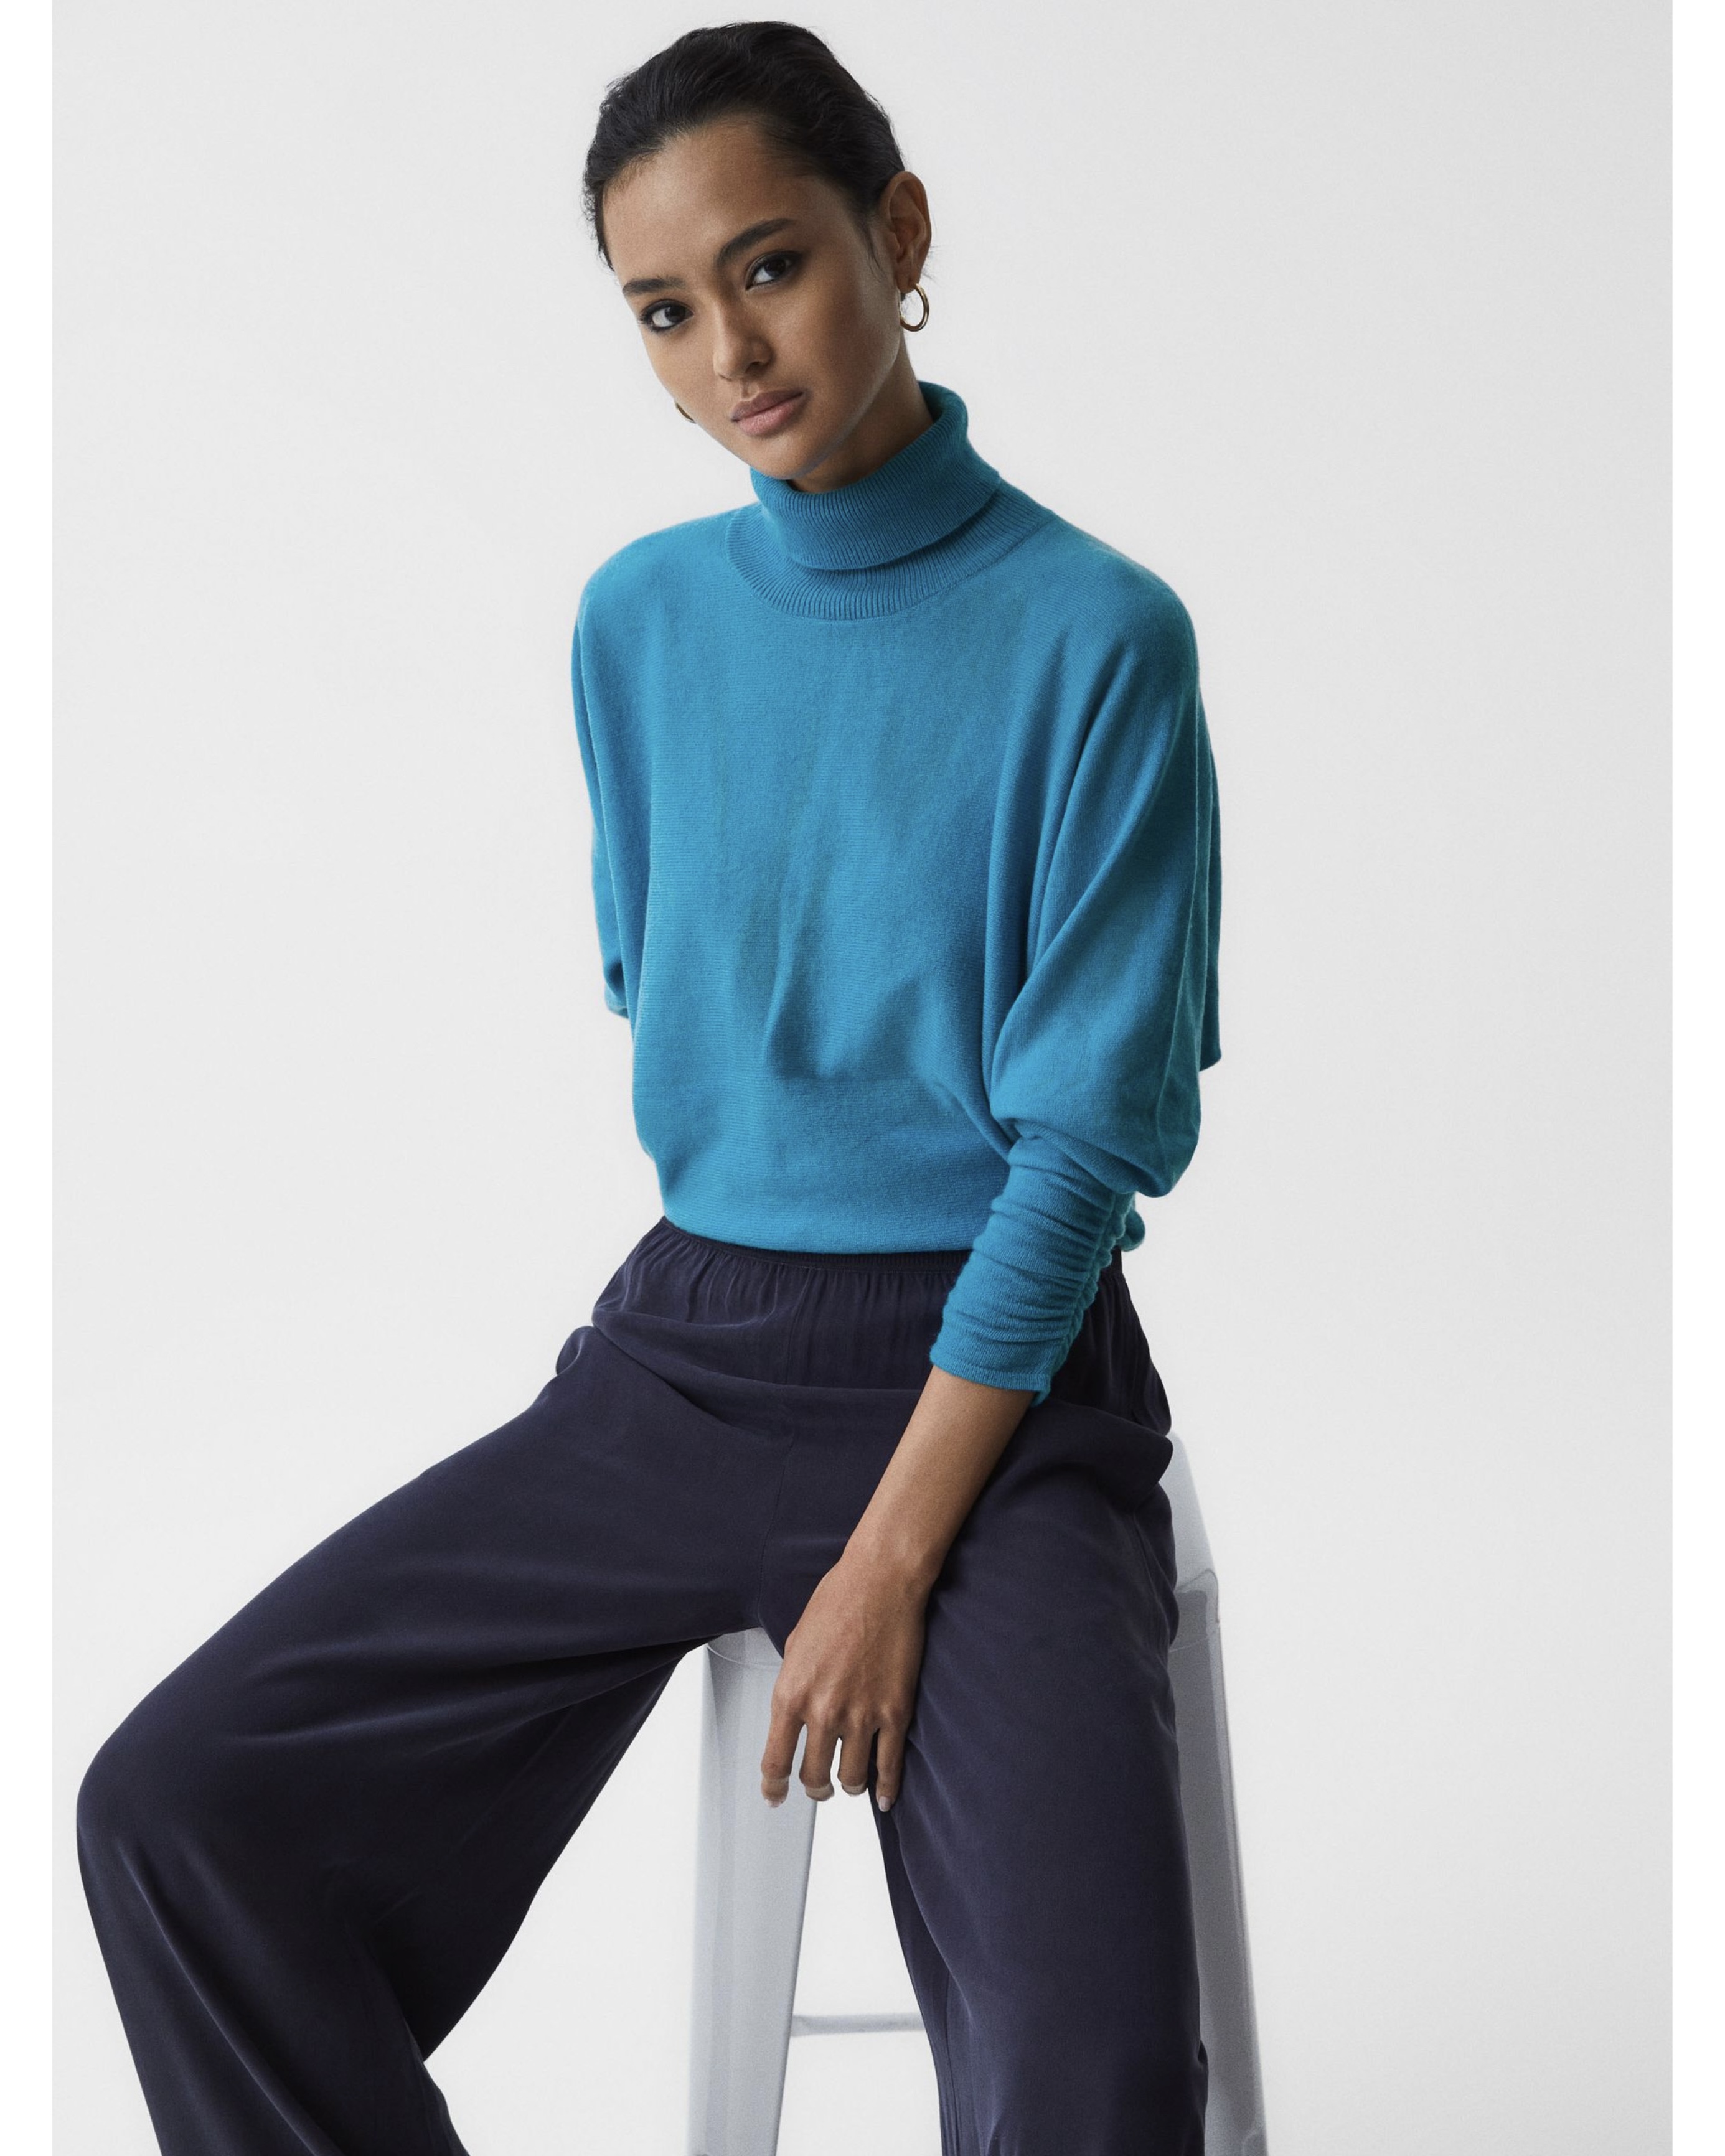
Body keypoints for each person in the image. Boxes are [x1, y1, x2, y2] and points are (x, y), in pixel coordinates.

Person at [76, 21, 1223, 2155]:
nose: (729, 355)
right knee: (180, 1809)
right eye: (664, 312)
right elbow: (659, 970)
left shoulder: (1095, 638)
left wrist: (885, 1561)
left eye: (769, 267)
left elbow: (1079, 1151)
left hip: (997, 1383)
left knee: (1089, 2063)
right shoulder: (637, 623)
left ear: (897, 233)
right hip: (684, 1355)